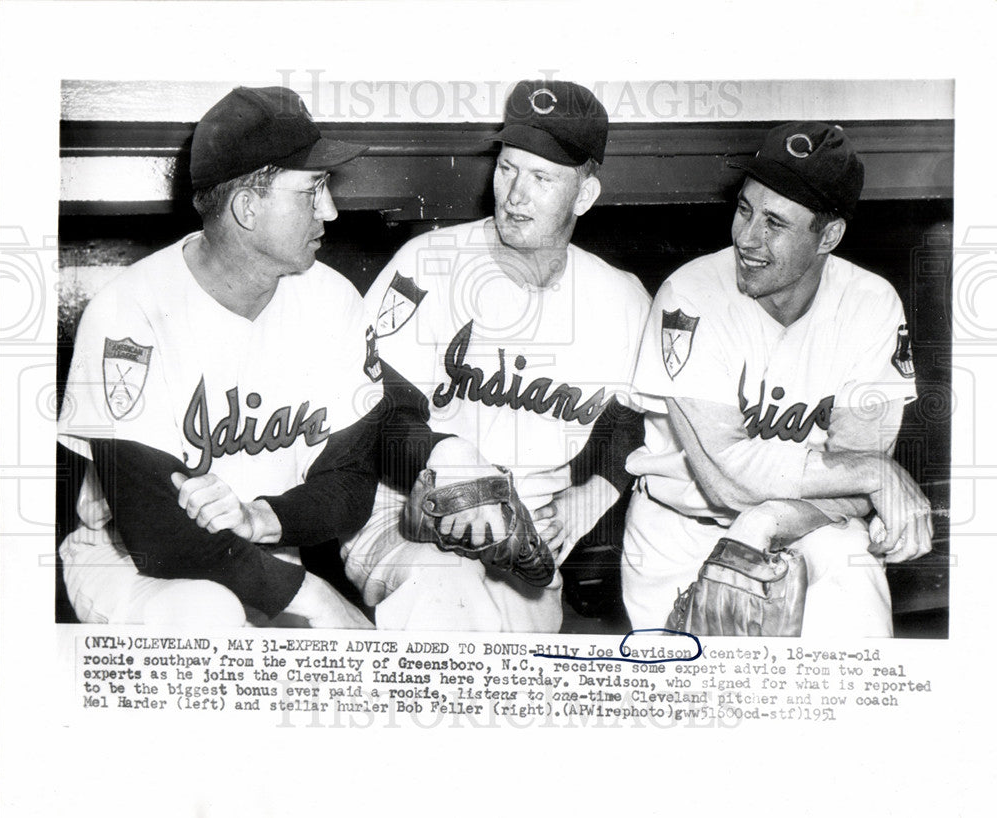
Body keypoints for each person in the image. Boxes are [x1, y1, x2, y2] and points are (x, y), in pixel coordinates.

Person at [58, 85, 390, 628]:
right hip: (128, 563)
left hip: (263, 552)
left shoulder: (332, 299)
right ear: (246, 207)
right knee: (206, 615)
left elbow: (350, 486)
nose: (330, 209)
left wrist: (260, 517)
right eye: (312, 190)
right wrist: (314, 595)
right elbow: (159, 539)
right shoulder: (129, 310)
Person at [353, 80, 651, 632]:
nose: (515, 195)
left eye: (542, 178)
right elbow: (372, 415)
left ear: (584, 196)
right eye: (508, 168)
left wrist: (584, 504)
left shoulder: (622, 299)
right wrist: (451, 462)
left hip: (529, 535)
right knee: (448, 595)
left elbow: (633, 423)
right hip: (402, 514)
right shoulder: (428, 264)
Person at [622, 121, 933, 638]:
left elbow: (856, 475)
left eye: (774, 222)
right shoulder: (691, 293)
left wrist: (768, 521)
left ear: (828, 236)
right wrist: (877, 474)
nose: (747, 238)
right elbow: (726, 477)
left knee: (850, 673)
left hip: (807, 526)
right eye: (744, 209)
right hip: (680, 533)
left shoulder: (871, 304)